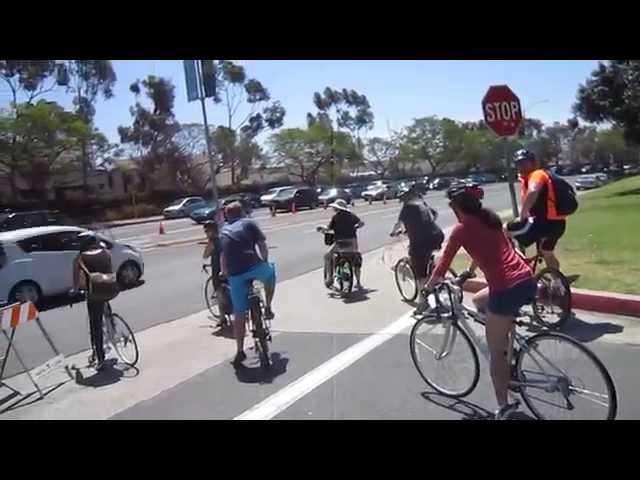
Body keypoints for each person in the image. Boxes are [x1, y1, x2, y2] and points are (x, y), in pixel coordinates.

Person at [425, 184, 536, 420]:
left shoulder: (461, 229)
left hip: (505, 289)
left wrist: (428, 287)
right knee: (478, 300)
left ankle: (504, 406)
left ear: (456, 207)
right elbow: (489, 250)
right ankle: (510, 348)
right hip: (526, 280)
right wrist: (469, 271)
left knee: (494, 352)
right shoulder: (491, 220)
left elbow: (443, 264)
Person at [219, 201, 276, 367]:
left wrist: (224, 272)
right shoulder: (249, 223)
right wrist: (264, 260)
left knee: (239, 314)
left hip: (235, 274)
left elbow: (223, 256)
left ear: (227, 216)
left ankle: (239, 351)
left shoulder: (224, 230)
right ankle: (268, 307)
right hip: (254, 267)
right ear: (242, 212)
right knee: (270, 273)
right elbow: (262, 245)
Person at [389, 184, 444, 311]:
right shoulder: (422, 204)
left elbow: (399, 224)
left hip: (421, 241)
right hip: (436, 235)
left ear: (405, 198)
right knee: (427, 260)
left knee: (420, 274)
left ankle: (423, 303)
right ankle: (436, 278)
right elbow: (434, 215)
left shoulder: (407, 208)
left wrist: (394, 232)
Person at [513, 149, 567, 271]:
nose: (521, 166)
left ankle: (522, 263)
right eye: (519, 164)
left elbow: (533, 191)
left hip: (542, 223)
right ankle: (557, 281)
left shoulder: (537, 174)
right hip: (558, 224)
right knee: (547, 252)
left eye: (524, 163)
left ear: (533, 163)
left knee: (504, 230)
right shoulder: (542, 175)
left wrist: (522, 215)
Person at [72, 231, 115, 372]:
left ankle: (100, 358)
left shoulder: (80, 258)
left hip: (94, 294)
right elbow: (110, 269)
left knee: (95, 325)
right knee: (105, 306)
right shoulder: (106, 252)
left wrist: (75, 290)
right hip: (111, 288)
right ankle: (112, 327)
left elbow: (76, 281)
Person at [321, 198, 365, 290]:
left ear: (336, 208)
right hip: (352, 242)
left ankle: (329, 279)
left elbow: (328, 229)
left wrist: (321, 229)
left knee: (327, 256)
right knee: (355, 258)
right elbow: (361, 223)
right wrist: (355, 227)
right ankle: (358, 282)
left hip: (340, 243)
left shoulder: (335, 217)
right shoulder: (351, 215)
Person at [202, 220, 227, 326]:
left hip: (219, 270)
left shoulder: (213, 241)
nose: (205, 233)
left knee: (219, 292)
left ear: (211, 231)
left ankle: (222, 318)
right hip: (231, 267)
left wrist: (208, 247)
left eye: (206, 231)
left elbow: (205, 255)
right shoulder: (224, 237)